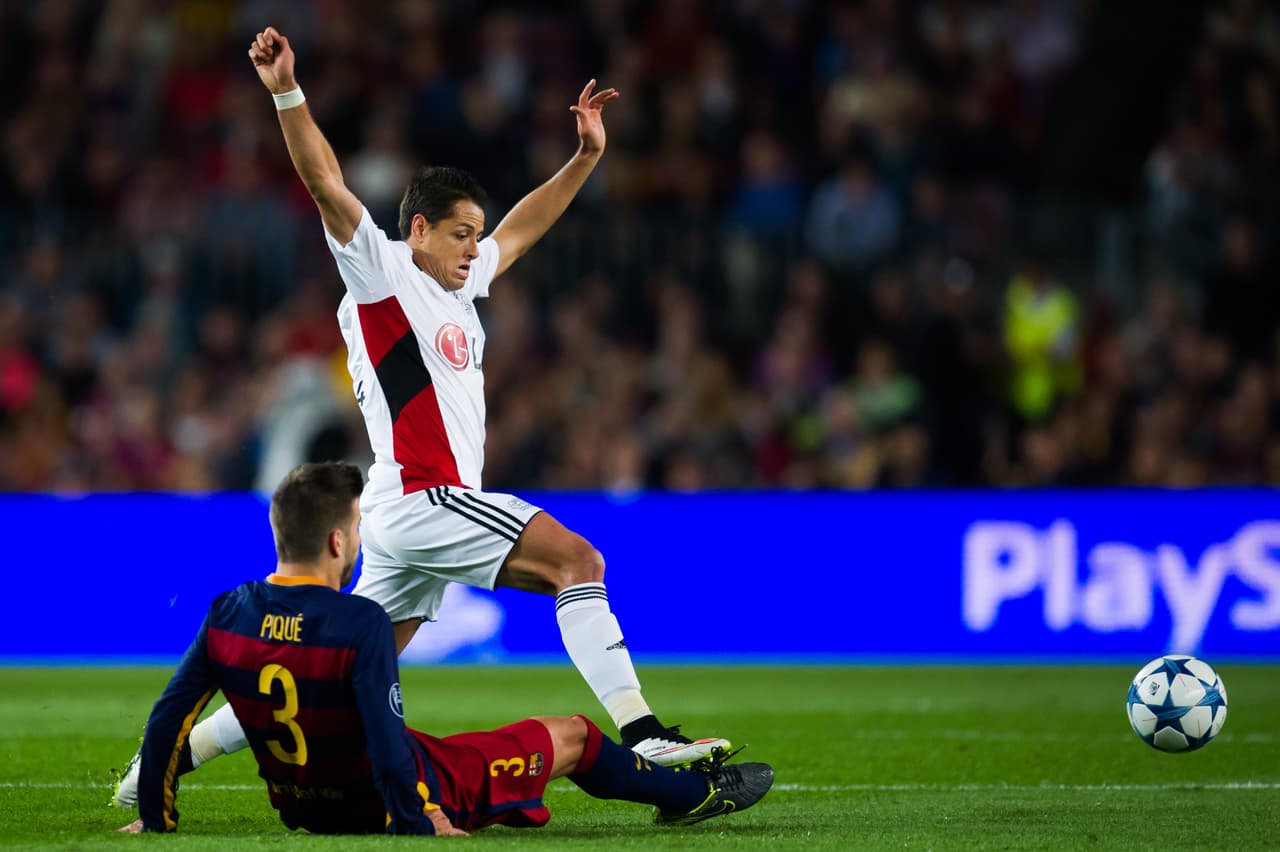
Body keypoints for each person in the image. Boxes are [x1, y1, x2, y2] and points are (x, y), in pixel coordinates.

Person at [111, 26, 726, 809]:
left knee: (332, 672)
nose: (476, 249)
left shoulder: (458, 283)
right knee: (579, 561)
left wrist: (584, 157)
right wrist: (286, 91)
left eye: (477, 235)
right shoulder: (383, 275)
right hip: (424, 496)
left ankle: (153, 770)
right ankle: (643, 734)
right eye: (462, 234)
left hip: (404, 517)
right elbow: (326, 185)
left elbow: (522, 229)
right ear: (420, 230)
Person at [114, 463, 773, 836]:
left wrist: (155, 816)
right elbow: (386, 737)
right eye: (356, 531)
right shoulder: (358, 622)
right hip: (389, 800)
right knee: (573, 735)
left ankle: (142, 785)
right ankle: (691, 794)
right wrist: (421, 817)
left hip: (299, 806)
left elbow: (169, 715)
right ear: (340, 542)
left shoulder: (228, 611)